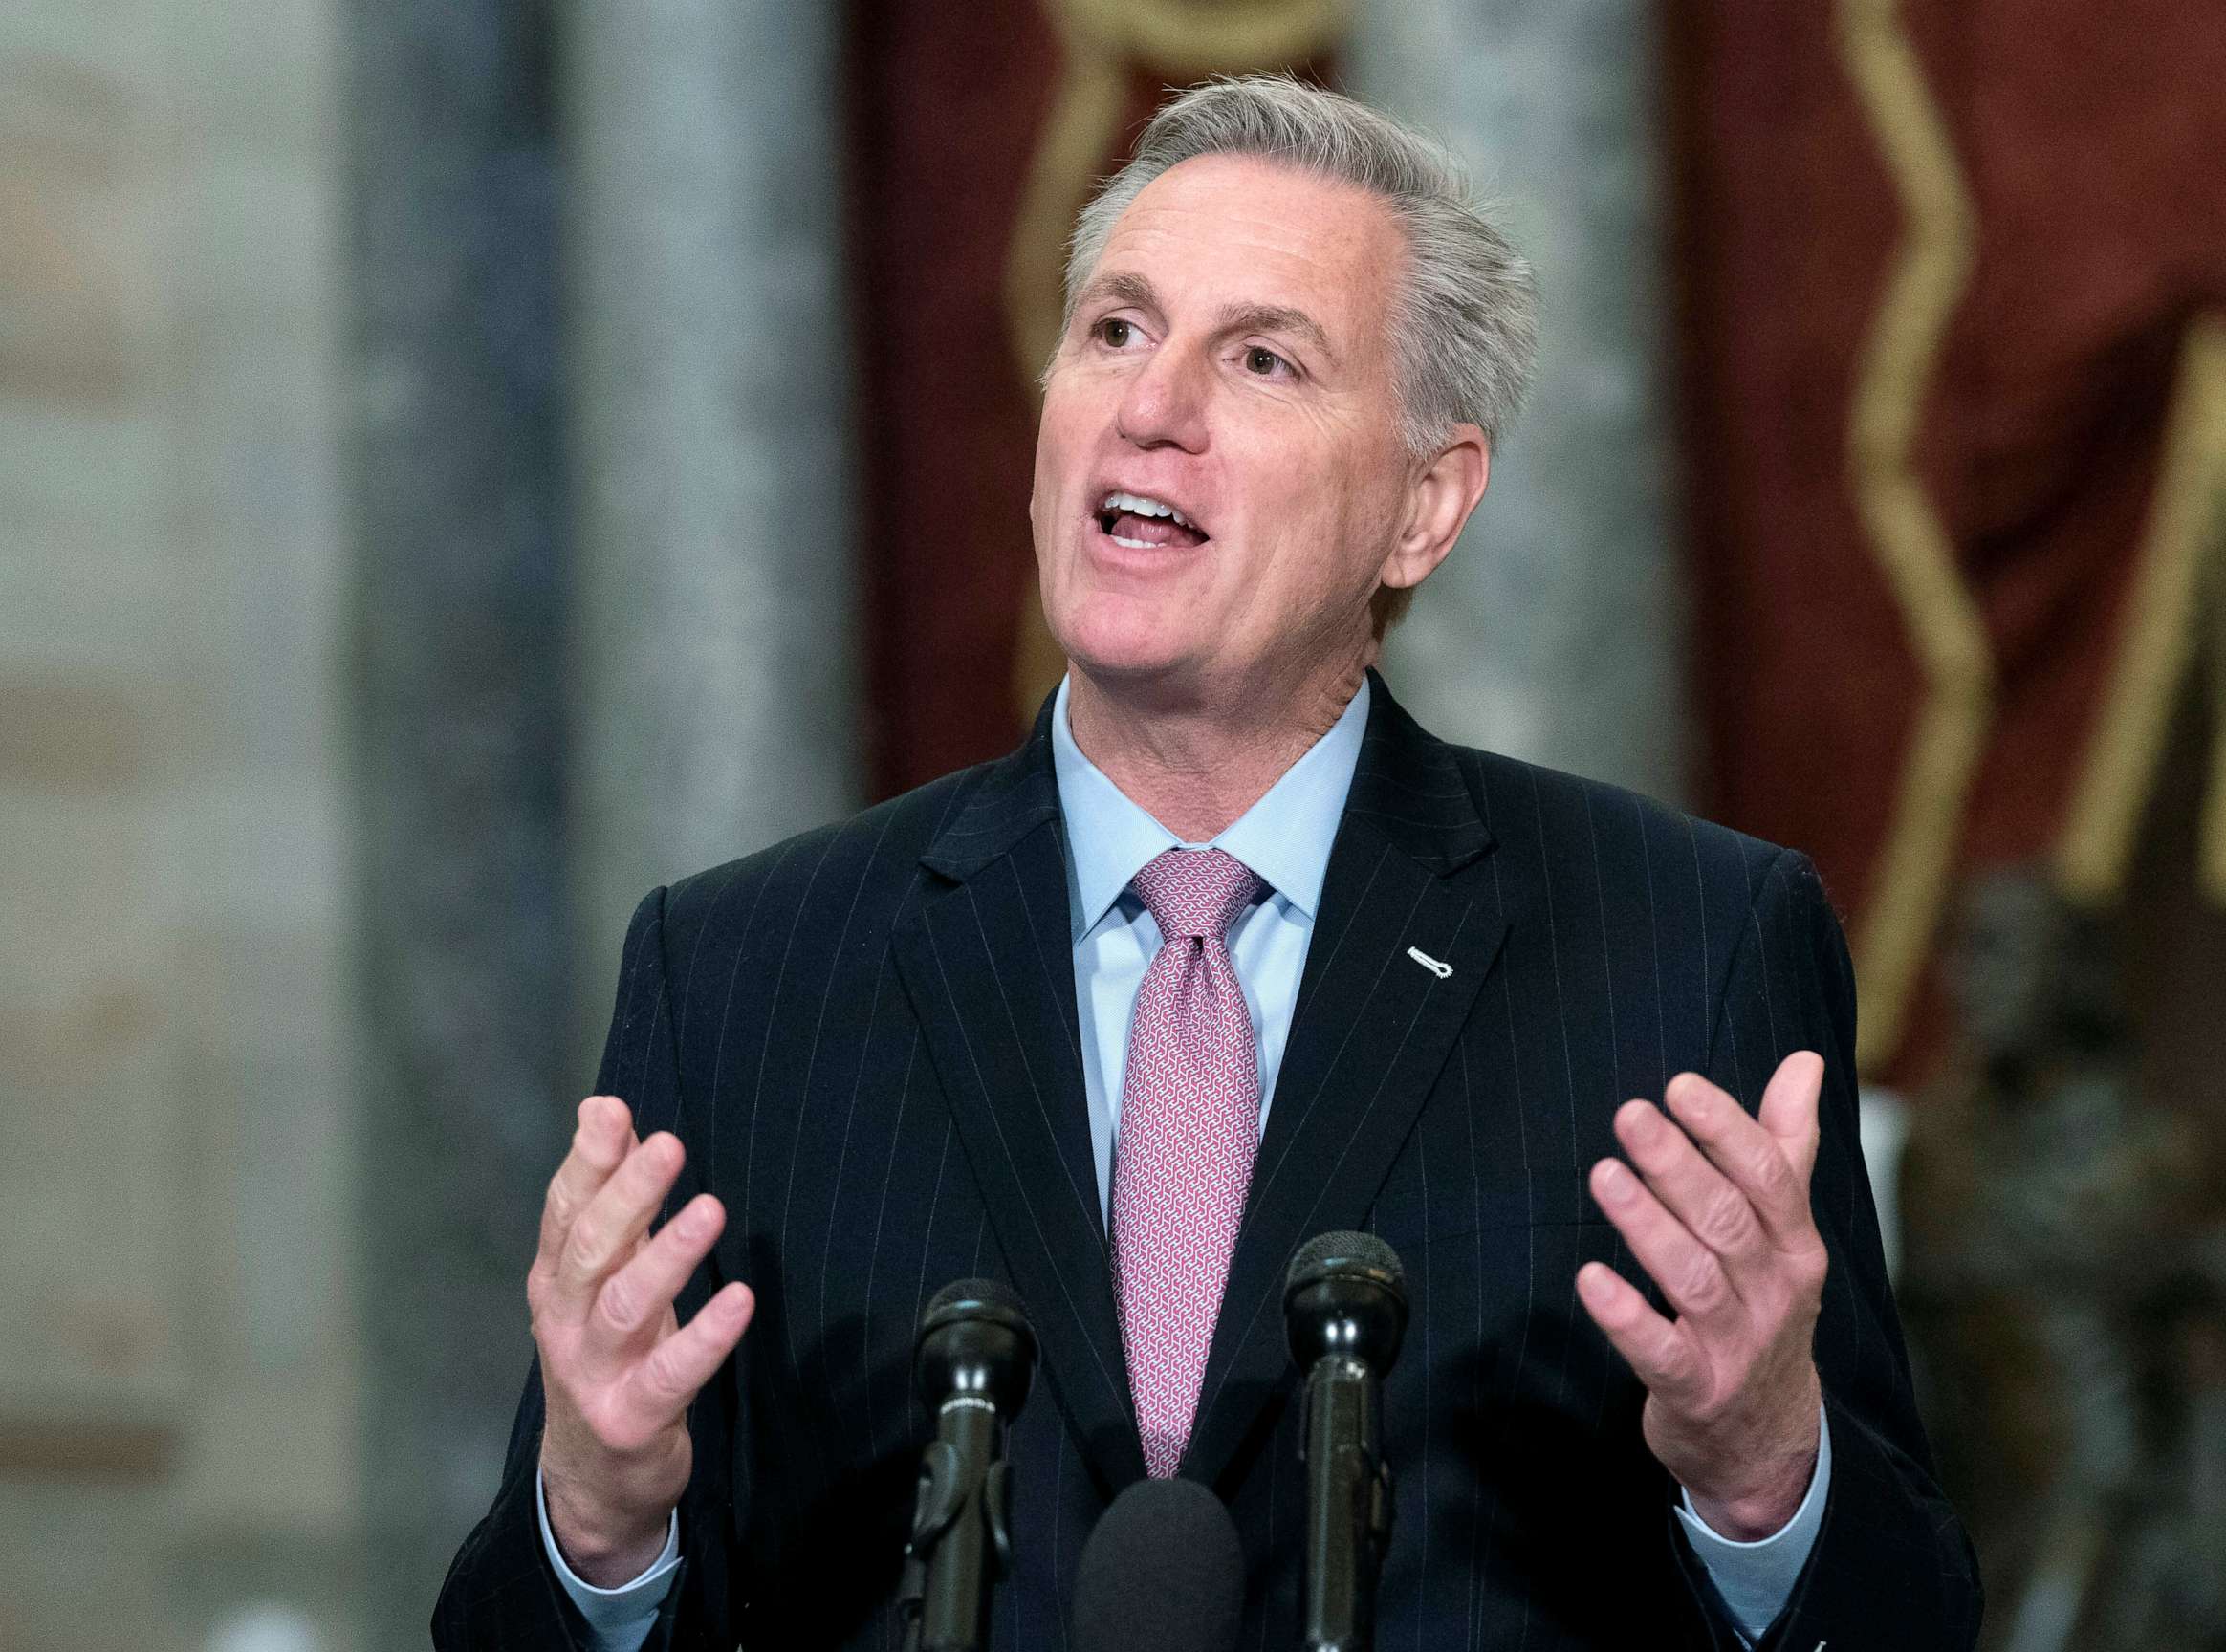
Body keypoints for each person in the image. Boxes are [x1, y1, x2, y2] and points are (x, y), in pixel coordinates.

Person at [433, 75, 1978, 1650]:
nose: (1150, 403)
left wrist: (1764, 1477)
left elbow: (1905, 1621)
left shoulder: (1683, 949)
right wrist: (600, 1529)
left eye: (1260, 358)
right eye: (1114, 329)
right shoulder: (746, 976)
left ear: (1422, 508)